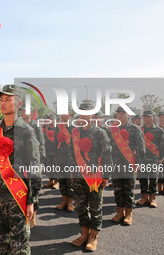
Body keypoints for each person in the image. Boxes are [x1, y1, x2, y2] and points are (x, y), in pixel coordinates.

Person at [0, 84, 40, 254]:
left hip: (18, 196)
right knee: (2, 241)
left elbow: (34, 168)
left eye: (8, 99)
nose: (2, 103)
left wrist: (31, 200)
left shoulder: (26, 132)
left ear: (18, 103)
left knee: (19, 244)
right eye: (1, 99)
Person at [70, 103, 112, 252]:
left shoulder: (100, 133)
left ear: (92, 115)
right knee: (80, 206)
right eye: (81, 113)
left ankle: (93, 236)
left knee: (95, 207)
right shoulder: (75, 132)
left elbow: (107, 155)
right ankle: (84, 233)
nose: (83, 116)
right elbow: (71, 154)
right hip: (78, 176)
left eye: (86, 113)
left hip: (94, 178)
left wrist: (106, 176)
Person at [106, 106, 145, 225]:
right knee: (118, 190)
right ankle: (119, 212)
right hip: (116, 165)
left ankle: (129, 214)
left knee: (129, 190)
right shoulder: (112, 129)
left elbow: (141, 148)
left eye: (124, 113)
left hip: (129, 164)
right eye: (119, 113)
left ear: (128, 115)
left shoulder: (135, 129)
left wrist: (138, 163)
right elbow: (107, 147)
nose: (121, 115)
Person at [20, 107, 44, 228]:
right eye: (21, 110)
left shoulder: (36, 126)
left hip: (34, 163)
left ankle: (33, 215)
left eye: (25, 110)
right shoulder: (18, 125)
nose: (22, 112)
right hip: (21, 163)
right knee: (23, 190)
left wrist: (41, 162)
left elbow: (41, 144)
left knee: (33, 190)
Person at [136, 111, 164, 208]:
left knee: (153, 179)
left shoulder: (159, 130)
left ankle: (152, 199)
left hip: (154, 159)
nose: (147, 118)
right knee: (143, 179)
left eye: (149, 116)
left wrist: (161, 158)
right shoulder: (139, 130)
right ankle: (144, 197)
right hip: (142, 159)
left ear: (153, 118)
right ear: (143, 118)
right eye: (145, 117)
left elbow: (162, 145)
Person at [55, 114, 75, 212]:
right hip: (60, 157)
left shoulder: (74, 127)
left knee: (70, 180)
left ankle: (71, 202)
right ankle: (64, 200)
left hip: (71, 158)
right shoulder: (58, 127)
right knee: (62, 180)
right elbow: (53, 142)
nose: (63, 115)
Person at [42, 114, 58, 189]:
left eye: (52, 119)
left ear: (55, 120)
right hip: (48, 151)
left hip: (56, 152)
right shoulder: (46, 129)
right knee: (49, 167)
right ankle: (50, 181)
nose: (50, 121)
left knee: (56, 167)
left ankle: (56, 182)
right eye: (49, 119)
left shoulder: (57, 129)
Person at [158, 112, 164, 195]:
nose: (162, 119)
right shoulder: (157, 130)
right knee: (160, 172)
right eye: (161, 118)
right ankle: (159, 189)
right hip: (158, 154)